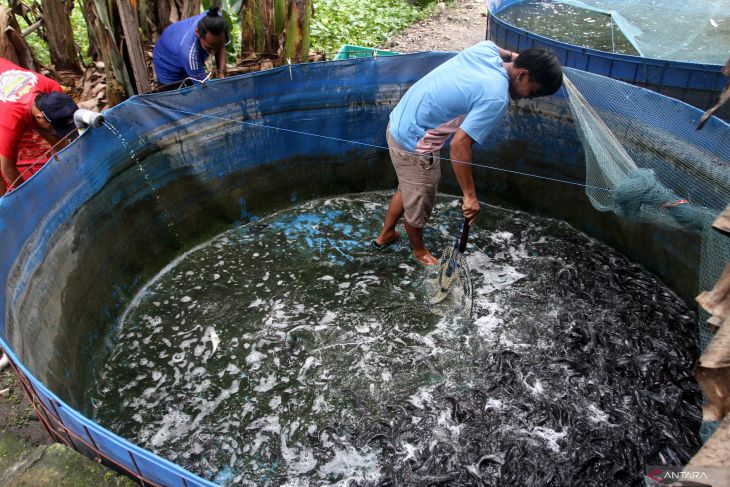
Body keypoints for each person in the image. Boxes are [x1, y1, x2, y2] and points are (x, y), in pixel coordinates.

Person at [374, 41, 563, 266]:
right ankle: (419, 252)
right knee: (419, 199)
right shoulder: (496, 96)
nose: (531, 97)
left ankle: (386, 235)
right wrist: (470, 196)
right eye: (536, 91)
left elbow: (511, 54)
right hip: (415, 145)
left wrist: (537, 61)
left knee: (408, 188)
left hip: (398, 123)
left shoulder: (486, 50)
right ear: (523, 75)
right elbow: (459, 145)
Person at [0, 57, 78, 195]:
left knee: (55, 136)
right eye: (53, 127)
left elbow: (59, 138)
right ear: (38, 117)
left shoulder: (52, 88)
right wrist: (30, 199)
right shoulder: (10, 123)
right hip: (8, 112)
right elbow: (8, 168)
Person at [153, 7, 231, 87]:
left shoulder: (215, 20)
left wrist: (220, 74)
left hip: (178, 46)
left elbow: (221, 46)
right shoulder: (189, 53)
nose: (214, 51)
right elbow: (205, 88)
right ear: (197, 33)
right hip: (168, 69)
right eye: (209, 48)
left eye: (217, 47)